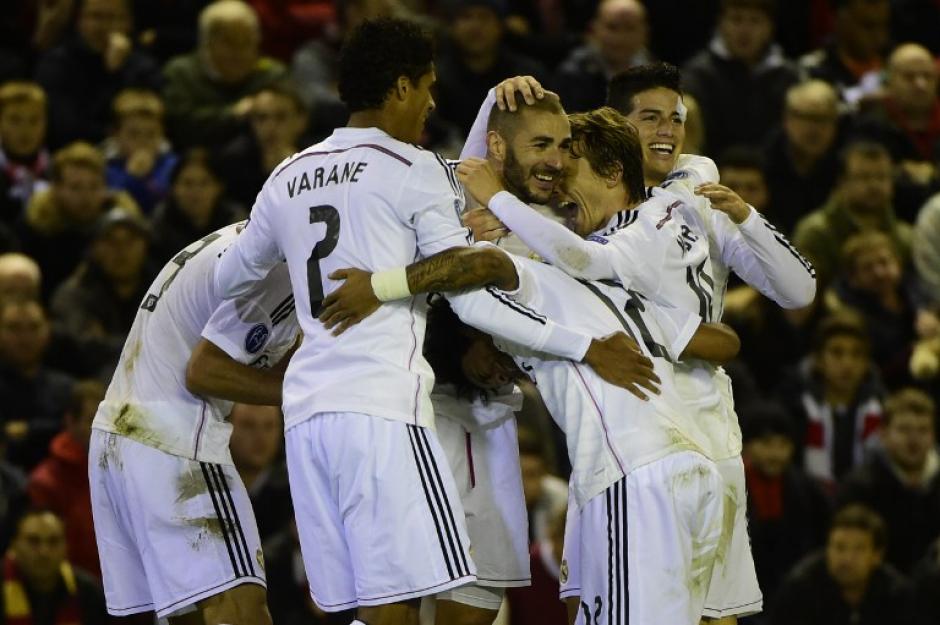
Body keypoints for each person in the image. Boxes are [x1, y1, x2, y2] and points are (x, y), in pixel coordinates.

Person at [213, 18, 655, 625]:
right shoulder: (415, 172)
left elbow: (230, 279)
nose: (432, 101)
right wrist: (585, 345)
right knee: (409, 603)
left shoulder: (288, 173)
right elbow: (470, 292)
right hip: (390, 406)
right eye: (426, 87)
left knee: (376, 609)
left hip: (310, 414)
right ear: (401, 87)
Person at [88, 222, 300, 625]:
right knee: (242, 612)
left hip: (114, 439)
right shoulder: (282, 268)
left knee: (183, 617)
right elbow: (204, 371)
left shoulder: (244, 237)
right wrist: (303, 392)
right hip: (173, 442)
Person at [776, 313, 884, 491]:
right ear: (818, 360)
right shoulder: (793, 409)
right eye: (837, 352)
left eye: (857, 354)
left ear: (866, 363)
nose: (847, 364)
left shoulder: (882, 410)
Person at [20, 141, 142, 298]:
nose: (86, 197)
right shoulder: (35, 230)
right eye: (75, 187)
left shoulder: (124, 227)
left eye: (94, 186)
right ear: (56, 189)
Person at [35, 0, 162, 149]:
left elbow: (147, 124)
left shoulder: (143, 67)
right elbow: (66, 130)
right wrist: (110, 76)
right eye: (96, 16)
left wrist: (117, 73)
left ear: (129, 23)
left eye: (114, 18)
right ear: (79, 21)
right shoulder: (56, 64)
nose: (104, 27)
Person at [838, 388, 940, 574]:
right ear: (883, 435)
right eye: (904, 430)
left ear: (933, 435)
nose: (913, 439)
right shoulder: (860, 488)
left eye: (923, 430)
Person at [162, 0, 286, 148]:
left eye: (247, 42)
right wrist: (233, 114)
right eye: (230, 42)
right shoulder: (181, 74)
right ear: (206, 43)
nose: (240, 52)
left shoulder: (271, 75)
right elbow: (181, 127)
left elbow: (294, 120)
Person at [680, 0, 800, 155]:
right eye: (736, 19)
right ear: (720, 24)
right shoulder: (697, 75)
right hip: (711, 172)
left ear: (770, 27)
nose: (745, 31)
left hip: (774, 175)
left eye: (755, 21)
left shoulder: (788, 76)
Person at [741, 402, 830, 608]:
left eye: (783, 445)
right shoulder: (728, 487)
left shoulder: (807, 489)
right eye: (766, 444)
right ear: (746, 446)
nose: (775, 453)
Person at [50, 207, 155, 379]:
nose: (121, 250)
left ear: (145, 246)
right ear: (94, 248)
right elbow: (83, 349)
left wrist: (106, 341)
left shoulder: (164, 289)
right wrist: (144, 343)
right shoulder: (73, 293)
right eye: (110, 241)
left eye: (130, 241)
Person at [793, 141, 911, 289]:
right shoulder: (816, 232)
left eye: (882, 177)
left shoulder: (904, 236)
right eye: (864, 177)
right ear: (842, 182)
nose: (874, 185)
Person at [771, 504, 915, 625]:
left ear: (877, 556)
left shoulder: (896, 594)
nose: (847, 559)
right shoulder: (800, 590)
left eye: (859, 549)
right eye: (839, 547)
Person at [28, 380, 104, 579]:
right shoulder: (45, 483)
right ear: (70, 421)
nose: (103, 430)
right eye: (92, 421)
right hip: (77, 594)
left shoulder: (123, 473)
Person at [0, 298, 74, 470]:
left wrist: (29, 430)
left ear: (48, 331)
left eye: (33, 327)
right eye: (14, 328)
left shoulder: (67, 388)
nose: (25, 338)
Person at [763, 80, 843, 236]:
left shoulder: (843, 166)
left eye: (823, 119)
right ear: (786, 119)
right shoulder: (764, 164)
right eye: (806, 117)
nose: (814, 129)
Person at [0, 510, 108, 624]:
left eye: (54, 541)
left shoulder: (89, 594)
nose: (44, 552)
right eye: (33, 541)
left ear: (66, 546)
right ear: (14, 545)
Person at [218, 82, 308, 210]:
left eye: (280, 117)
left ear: (301, 121)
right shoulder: (234, 161)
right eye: (261, 118)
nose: (270, 127)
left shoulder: (317, 157)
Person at [150, 148, 247, 265]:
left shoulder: (235, 222)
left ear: (219, 188)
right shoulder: (161, 223)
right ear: (174, 188)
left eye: (204, 183)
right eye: (188, 183)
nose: (195, 192)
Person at [555, 0, 653, 114]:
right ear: (594, 29)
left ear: (645, 32)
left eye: (630, 28)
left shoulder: (654, 73)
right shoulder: (572, 76)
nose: (621, 38)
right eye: (612, 27)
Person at [103, 88, 178, 215]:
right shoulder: (104, 167)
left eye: (151, 134)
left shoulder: (173, 166)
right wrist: (132, 178)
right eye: (134, 134)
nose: (143, 142)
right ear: (115, 134)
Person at [799, 0, 890, 103]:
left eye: (883, 26)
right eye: (868, 27)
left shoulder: (894, 66)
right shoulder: (812, 72)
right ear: (841, 19)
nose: (880, 38)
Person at [229, 403, 292, 541]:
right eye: (248, 425)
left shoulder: (296, 495)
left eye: (269, 426)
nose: (260, 437)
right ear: (226, 428)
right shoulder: (206, 492)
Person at [0, 81, 50, 225]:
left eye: (34, 121)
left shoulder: (57, 172)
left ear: (45, 123)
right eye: (15, 120)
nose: (25, 130)